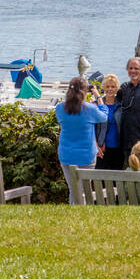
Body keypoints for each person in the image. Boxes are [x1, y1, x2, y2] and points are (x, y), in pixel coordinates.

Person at [55, 76, 108, 204]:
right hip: (86, 156)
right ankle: (79, 217)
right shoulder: (89, 109)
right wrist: (98, 97)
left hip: (66, 154)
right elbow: (104, 117)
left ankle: (73, 215)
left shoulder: (60, 108)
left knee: (73, 189)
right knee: (83, 190)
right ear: (84, 91)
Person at [94, 73, 123, 169]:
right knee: (101, 180)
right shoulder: (97, 105)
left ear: (117, 88)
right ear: (104, 88)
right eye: (107, 86)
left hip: (119, 148)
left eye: (113, 86)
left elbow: (132, 118)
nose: (110, 89)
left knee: (117, 180)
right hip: (102, 148)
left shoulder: (122, 105)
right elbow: (91, 128)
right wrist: (97, 146)